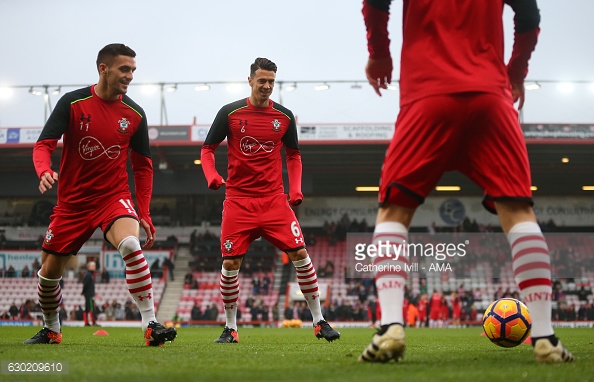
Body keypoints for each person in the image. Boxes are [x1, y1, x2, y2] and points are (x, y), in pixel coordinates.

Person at [358, 0, 573, 363]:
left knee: (394, 210)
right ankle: (545, 337)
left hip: (427, 94)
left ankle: (390, 327)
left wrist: (379, 54)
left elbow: (375, 3)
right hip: (491, 95)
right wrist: (516, 71)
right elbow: (530, 16)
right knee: (519, 211)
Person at [24, 43, 176, 347]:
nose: (130, 75)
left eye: (133, 70)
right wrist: (43, 170)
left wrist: (143, 213)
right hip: (73, 204)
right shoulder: (72, 103)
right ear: (103, 69)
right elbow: (44, 145)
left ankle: (151, 324)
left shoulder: (134, 114)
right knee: (48, 274)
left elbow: (144, 167)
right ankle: (52, 329)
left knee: (131, 244)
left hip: (113, 197)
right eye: (124, 69)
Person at [201, 57, 340, 344]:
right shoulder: (230, 113)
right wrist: (212, 175)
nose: (266, 86)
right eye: (262, 80)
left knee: (301, 255)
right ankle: (230, 328)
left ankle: (319, 321)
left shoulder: (285, 117)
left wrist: (296, 188)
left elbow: (294, 155)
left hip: (275, 201)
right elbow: (207, 148)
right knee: (230, 265)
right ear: (250, 80)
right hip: (238, 202)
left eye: (271, 82)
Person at [81, 261, 98, 326]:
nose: (95, 267)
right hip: (89, 294)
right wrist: (84, 291)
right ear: (89, 267)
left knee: (87, 308)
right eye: (93, 266)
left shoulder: (89, 274)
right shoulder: (88, 275)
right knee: (91, 308)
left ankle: (86, 322)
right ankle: (93, 322)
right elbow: (86, 284)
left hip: (88, 293)